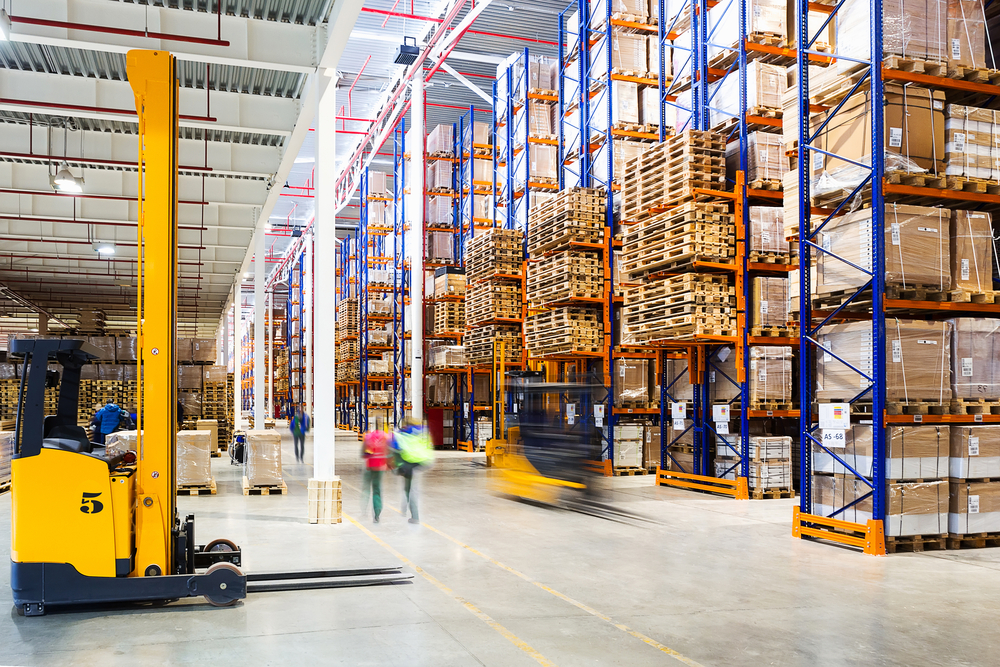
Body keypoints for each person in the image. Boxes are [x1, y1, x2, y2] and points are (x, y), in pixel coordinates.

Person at [392, 417, 434, 524]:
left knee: (411, 490)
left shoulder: (402, 435)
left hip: (408, 464)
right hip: (420, 462)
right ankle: (404, 508)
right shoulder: (422, 432)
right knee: (410, 488)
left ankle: (415, 517)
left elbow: (395, 448)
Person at [361, 429, 391, 523]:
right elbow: (389, 452)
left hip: (370, 467)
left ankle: (364, 509)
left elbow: (363, 454)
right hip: (380, 467)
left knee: (366, 489)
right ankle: (377, 514)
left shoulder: (368, 436)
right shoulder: (385, 437)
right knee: (376, 490)